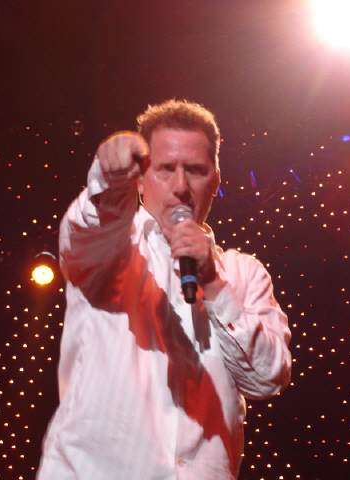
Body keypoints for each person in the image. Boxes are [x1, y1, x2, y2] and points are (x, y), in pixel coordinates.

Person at [37, 99, 292, 480]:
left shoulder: (244, 274)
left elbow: (267, 379)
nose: (181, 187)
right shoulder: (116, 245)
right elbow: (86, 231)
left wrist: (213, 284)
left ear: (215, 181)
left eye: (195, 171)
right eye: (166, 169)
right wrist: (109, 178)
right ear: (140, 179)